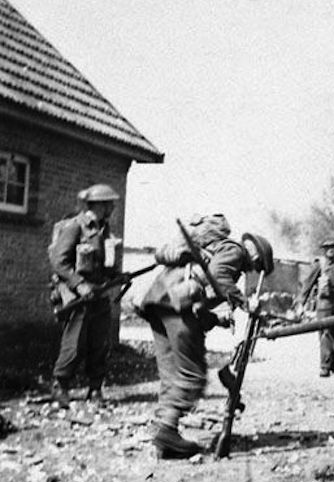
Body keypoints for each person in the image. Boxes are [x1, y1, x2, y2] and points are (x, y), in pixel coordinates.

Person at [135, 213, 261, 459]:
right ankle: (168, 431)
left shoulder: (206, 249)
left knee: (171, 372)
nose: (252, 270)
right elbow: (221, 279)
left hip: (158, 302)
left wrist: (217, 319)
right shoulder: (235, 252)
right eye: (256, 265)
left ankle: (164, 435)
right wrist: (246, 304)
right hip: (177, 304)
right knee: (191, 375)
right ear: (255, 255)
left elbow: (201, 300)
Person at [49, 183, 122, 406]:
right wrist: (79, 285)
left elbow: (104, 265)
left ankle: (95, 389)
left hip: (99, 295)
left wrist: (118, 276)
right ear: (99, 204)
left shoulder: (104, 229)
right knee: (75, 343)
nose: (112, 207)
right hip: (79, 297)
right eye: (109, 203)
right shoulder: (76, 227)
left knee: (100, 343)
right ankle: (60, 386)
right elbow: (59, 262)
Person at [300, 240, 334, 377]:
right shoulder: (319, 264)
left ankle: (333, 365)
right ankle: (324, 366)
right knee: (326, 335)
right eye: (329, 248)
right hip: (325, 304)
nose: (332, 250)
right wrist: (301, 303)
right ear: (324, 250)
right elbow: (307, 284)